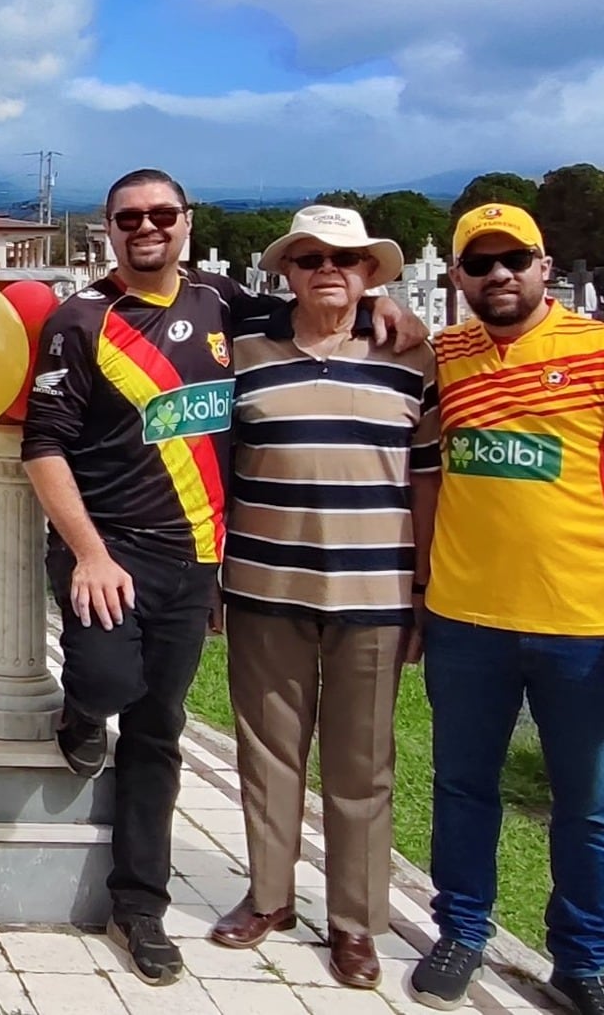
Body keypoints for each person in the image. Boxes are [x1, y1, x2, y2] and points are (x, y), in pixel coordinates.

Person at [22, 170, 422, 985]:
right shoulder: (81, 320)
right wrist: (90, 553)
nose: (146, 227)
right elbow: (43, 444)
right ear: (108, 228)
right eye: (129, 216)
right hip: (108, 554)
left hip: (195, 560)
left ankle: (138, 906)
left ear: (185, 222)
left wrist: (386, 305)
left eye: (161, 214)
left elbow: (322, 307)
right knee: (105, 681)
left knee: (157, 729)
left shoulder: (226, 304)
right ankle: (77, 708)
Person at [408, 202, 604, 1015]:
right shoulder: (444, 356)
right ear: (458, 276)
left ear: (545, 267)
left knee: (588, 802)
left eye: (515, 259)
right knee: (463, 786)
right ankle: (461, 930)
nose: (498, 275)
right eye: (479, 263)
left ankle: (582, 960)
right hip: (466, 620)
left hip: (588, 626)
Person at [205, 206, 440, 990]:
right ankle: (269, 896)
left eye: (344, 258)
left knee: (360, 761)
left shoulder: (412, 358)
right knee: (267, 750)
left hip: (374, 590)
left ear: (370, 271)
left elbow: (428, 478)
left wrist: (422, 583)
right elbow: (214, 463)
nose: (326, 269)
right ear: (287, 273)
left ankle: (353, 921)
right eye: (308, 259)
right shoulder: (245, 353)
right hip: (264, 583)